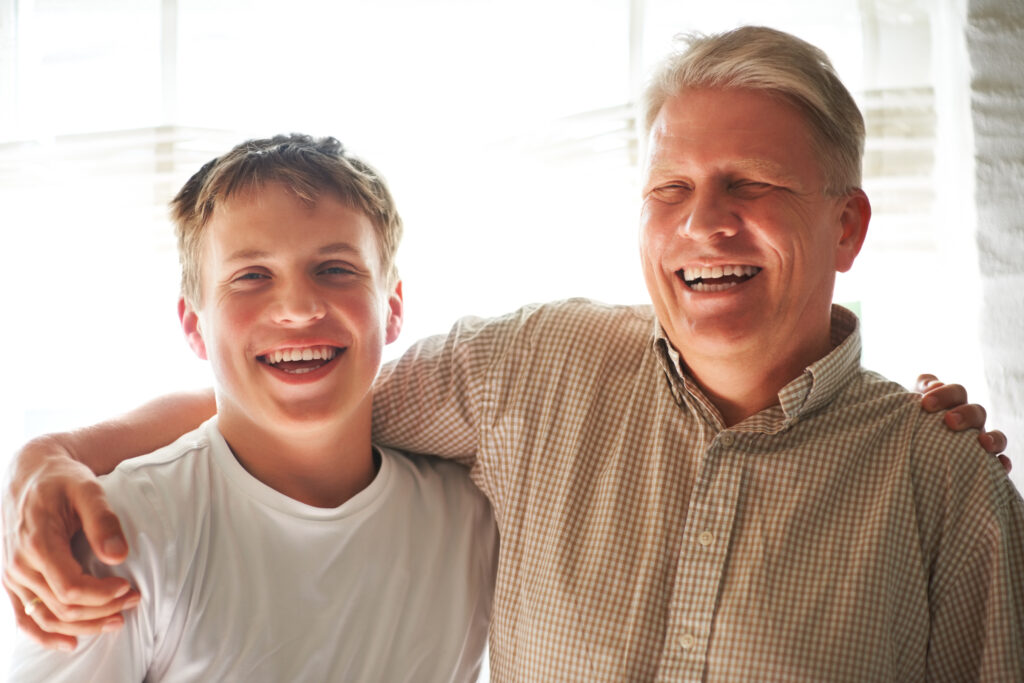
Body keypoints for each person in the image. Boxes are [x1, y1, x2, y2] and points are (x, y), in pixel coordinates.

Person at [2, 26, 1019, 681]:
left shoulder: (945, 482)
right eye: (671, 189)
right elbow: (307, 391)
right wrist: (54, 452)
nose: (704, 223)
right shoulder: (530, 371)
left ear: (846, 226)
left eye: (751, 183)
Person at [6, 134, 497, 680]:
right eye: (252, 276)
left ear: (393, 307)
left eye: (334, 268)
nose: (298, 308)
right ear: (195, 326)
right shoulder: (123, 534)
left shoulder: (472, 517)